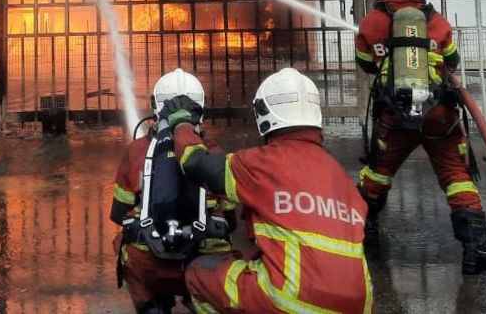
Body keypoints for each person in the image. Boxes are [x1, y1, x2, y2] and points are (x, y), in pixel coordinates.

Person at [158, 68, 373, 314]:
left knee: (200, 272)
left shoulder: (263, 163)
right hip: (359, 305)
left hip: (292, 300)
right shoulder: (341, 177)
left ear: (263, 113)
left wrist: (181, 122)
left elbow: (197, 164)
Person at [354, 0, 486, 275]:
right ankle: (476, 249)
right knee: (455, 175)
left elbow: (365, 64)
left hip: (396, 115)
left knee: (378, 172)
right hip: (439, 115)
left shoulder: (373, 22)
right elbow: (452, 60)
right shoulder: (435, 20)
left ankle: (361, 231)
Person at [110, 69, 236, 314]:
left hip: (150, 265)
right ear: (200, 110)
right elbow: (230, 221)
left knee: (122, 243)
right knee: (224, 254)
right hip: (201, 265)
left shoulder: (137, 151)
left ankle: (152, 305)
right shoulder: (214, 153)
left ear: (156, 107)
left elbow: (118, 213)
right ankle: (200, 300)